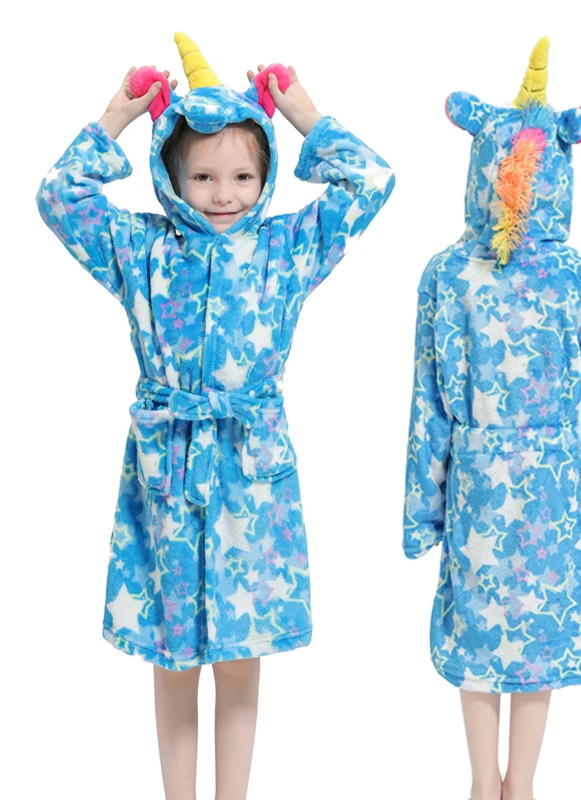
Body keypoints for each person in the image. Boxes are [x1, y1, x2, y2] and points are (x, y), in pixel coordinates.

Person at [36, 32, 394, 800]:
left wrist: (302, 113)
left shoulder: (288, 248)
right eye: (201, 175)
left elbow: (372, 179)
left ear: (266, 177)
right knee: (173, 659)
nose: (223, 193)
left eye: (242, 175)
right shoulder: (140, 249)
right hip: (167, 471)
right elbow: (57, 198)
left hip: (251, 473)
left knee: (238, 659)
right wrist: (114, 117)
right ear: (171, 175)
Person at [402, 38, 581, 800]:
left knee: (529, 640)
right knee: (485, 637)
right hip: (506, 485)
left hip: (535, 486)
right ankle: (485, 779)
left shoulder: (576, 278)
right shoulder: (451, 274)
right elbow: (429, 399)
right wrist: (423, 509)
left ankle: (515, 782)